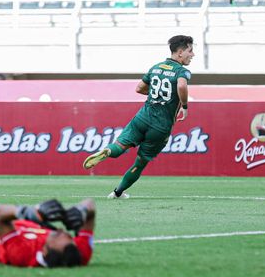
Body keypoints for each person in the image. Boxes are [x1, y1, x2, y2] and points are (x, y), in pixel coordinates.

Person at [83, 35, 195, 198]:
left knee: (120, 146)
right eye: (190, 51)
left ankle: (108, 151)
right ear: (179, 52)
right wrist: (184, 106)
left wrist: (157, 96)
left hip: (142, 118)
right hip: (160, 126)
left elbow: (139, 88)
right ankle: (118, 192)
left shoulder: (155, 67)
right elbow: (182, 85)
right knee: (140, 163)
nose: (192, 54)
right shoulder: (182, 71)